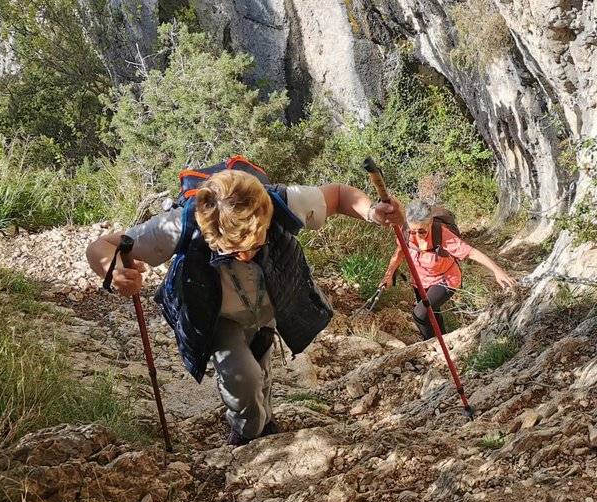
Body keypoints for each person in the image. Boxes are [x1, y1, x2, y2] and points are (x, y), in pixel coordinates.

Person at [87, 169, 402, 446]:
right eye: (231, 250)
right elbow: (104, 246)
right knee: (243, 376)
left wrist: (372, 212)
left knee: (259, 369)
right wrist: (110, 270)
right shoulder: (177, 225)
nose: (245, 255)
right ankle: (248, 435)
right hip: (217, 315)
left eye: (255, 243)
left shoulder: (283, 201)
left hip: (266, 309)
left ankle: (261, 420)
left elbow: (337, 196)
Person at [381, 201, 515, 341]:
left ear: (430, 222)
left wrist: (497, 271)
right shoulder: (405, 231)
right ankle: (442, 343)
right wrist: (389, 274)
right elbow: (400, 252)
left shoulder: (442, 234)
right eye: (412, 231)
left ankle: (429, 346)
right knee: (432, 314)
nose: (416, 235)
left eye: (421, 231)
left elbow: (471, 252)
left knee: (420, 314)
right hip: (420, 280)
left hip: (445, 279)